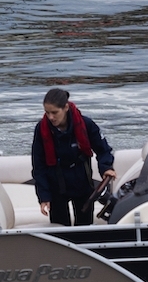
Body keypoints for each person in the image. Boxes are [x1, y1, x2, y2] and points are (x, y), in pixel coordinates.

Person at [31, 88, 116, 226]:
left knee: (84, 226)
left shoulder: (86, 124)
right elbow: (38, 165)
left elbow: (103, 150)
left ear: (65, 107)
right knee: (59, 229)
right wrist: (44, 196)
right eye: (47, 113)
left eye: (54, 112)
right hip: (56, 185)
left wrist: (106, 168)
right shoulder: (41, 129)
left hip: (81, 181)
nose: (50, 117)